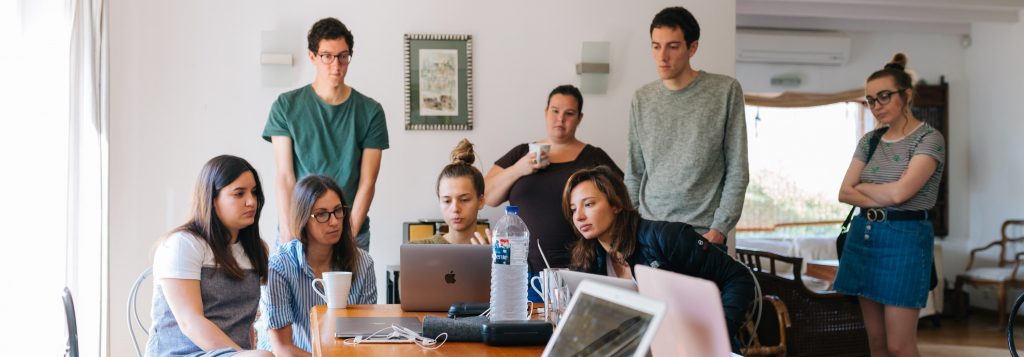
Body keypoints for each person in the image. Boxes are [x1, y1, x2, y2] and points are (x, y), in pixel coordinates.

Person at [562, 166, 754, 352]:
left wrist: (718, 334)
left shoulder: (666, 237)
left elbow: (738, 277)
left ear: (616, 204)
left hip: (695, 346)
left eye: (588, 204)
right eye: (572, 209)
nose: (578, 216)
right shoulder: (589, 258)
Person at [835, 53, 945, 357]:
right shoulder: (869, 141)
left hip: (905, 242)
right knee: (876, 343)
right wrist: (882, 191)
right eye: (871, 100)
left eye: (884, 96)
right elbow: (844, 192)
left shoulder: (929, 139)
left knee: (900, 346)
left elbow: (901, 195)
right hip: (863, 237)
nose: (877, 105)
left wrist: (866, 188)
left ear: (906, 95)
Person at [626, 6, 748, 247]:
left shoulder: (725, 91)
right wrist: (632, 226)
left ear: (692, 48)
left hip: (703, 235)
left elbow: (737, 169)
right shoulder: (642, 98)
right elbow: (634, 173)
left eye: (672, 46)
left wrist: (719, 229)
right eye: (656, 46)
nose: (662, 57)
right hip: (650, 232)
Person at [263, 17, 389, 251]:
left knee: (350, 289)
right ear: (312, 56)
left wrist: (348, 236)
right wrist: (289, 233)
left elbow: (367, 182)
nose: (336, 65)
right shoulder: (286, 106)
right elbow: (285, 176)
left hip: (350, 229)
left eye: (343, 56)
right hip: (299, 229)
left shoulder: (371, 111)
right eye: (327, 56)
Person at [485, 84, 621, 289]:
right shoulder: (521, 153)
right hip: (521, 270)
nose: (560, 119)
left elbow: (623, 202)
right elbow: (487, 195)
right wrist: (519, 169)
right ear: (546, 112)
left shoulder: (594, 157)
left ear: (579, 118)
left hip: (581, 268)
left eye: (569, 113)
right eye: (555, 111)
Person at [147, 155, 272, 357]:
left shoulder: (255, 249)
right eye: (239, 194)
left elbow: (245, 323)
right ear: (212, 199)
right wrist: (243, 355)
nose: (251, 201)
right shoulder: (183, 244)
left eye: (254, 192)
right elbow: (190, 322)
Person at [258, 175, 376, 356]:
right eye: (321, 214)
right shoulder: (279, 267)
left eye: (338, 210)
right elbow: (282, 348)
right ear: (303, 218)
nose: (334, 221)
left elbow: (365, 337)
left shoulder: (364, 263)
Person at [412, 139, 491, 245]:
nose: (455, 209)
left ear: (480, 201)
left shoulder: (495, 251)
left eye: (464, 200)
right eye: (447, 201)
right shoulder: (416, 250)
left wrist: (491, 260)